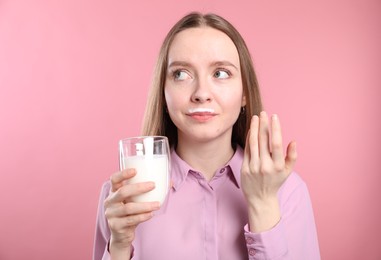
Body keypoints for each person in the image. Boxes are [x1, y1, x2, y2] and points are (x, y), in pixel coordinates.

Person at [93, 12, 320, 260]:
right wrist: (119, 247)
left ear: (245, 93)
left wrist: (263, 204)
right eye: (181, 74)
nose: (202, 93)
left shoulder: (287, 191)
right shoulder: (124, 197)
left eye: (221, 73)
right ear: (164, 93)